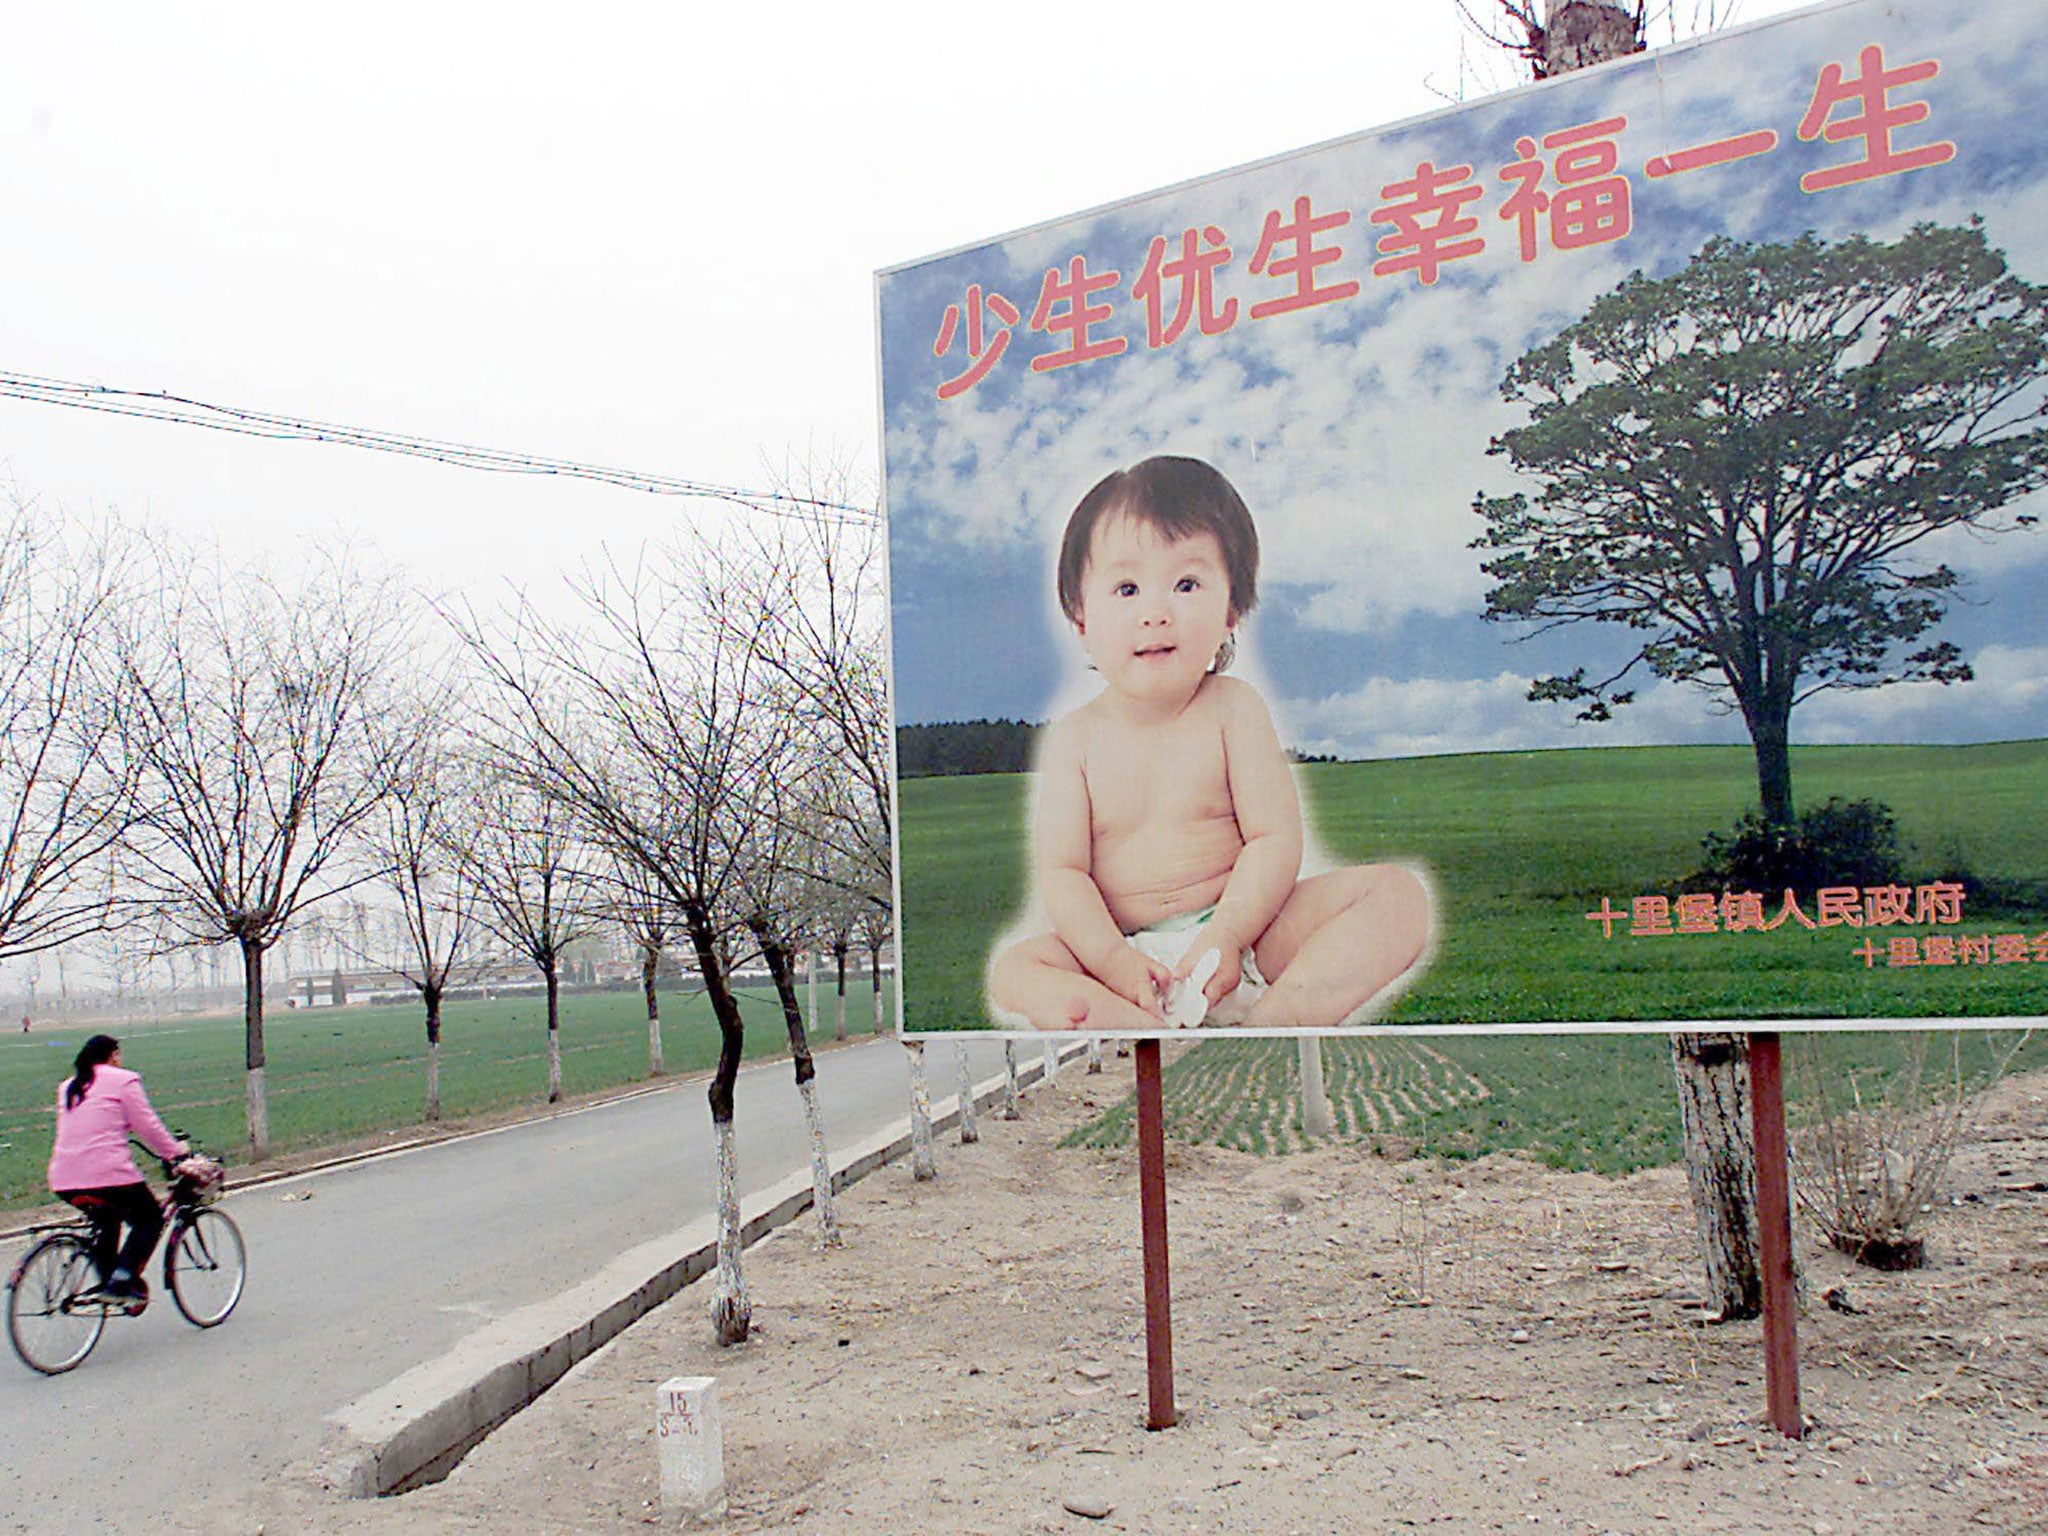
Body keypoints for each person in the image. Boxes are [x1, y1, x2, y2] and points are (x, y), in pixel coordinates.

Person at [989, 455, 1431, 1031]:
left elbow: (1273, 838)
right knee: (1017, 969)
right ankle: (1131, 1026)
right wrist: (1115, 962)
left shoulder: (1233, 708)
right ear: (1079, 616)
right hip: (1125, 959)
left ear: (1232, 610)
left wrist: (1227, 934)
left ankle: (1284, 1012)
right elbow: (1064, 873)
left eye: (1187, 583)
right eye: (1126, 588)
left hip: (1249, 941)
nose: (1155, 612)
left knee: (1397, 897)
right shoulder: (1074, 740)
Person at [46, 1034, 189, 1305]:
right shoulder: (123, 1080)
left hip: (64, 1178)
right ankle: (121, 1280)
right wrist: (175, 1151)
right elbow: (147, 1126)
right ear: (113, 1056)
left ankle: (109, 1284)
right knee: (151, 1219)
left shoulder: (68, 1086)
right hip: (107, 1175)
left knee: (107, 1220)